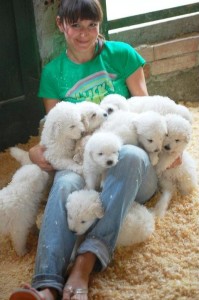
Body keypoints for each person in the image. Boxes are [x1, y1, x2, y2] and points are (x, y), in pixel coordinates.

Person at [10, 0, 158, 299]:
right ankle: (46, 285)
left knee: (132, 155)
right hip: (83, 161)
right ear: (61, 24)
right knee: (65, 180)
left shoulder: (122, 55)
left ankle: (85, 262)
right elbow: (55, 129)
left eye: (92, 26)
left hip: (130, 169)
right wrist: (40, 152)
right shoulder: (54, 73)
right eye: (76, 25)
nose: (84, 34)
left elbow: (147, 109)